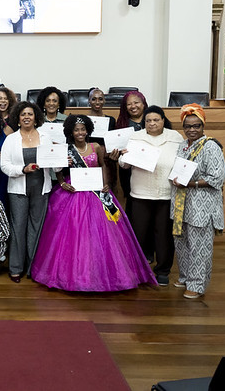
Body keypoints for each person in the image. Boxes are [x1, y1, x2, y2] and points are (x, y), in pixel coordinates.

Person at [31, 115, 156, 292]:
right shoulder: (66, 149)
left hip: (96, 192)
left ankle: (102, 273)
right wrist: (61, 182)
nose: (80, 132)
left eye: (83, 129)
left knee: (102, 234)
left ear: (88, 130)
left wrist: (105, 183)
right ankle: (73, 276)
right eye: (76, 130)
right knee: (74, 234)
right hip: (73, 193)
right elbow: (57, 168)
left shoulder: (96, 147)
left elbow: (104, 165)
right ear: (70, 132)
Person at [112, 105, 183, 286]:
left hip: (166, 194)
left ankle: (163, 271)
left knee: (164, 235)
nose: (152, 123)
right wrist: (123, 158)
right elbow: (124, 165)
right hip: (141, 193)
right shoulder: (136, 137)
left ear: (163, 120)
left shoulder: (175, 137)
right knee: (139, 234)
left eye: (156, 120)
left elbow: (183, 161)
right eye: (148, 121)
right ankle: (139, 269)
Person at [170, 104, 225, 299]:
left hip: (201, 206)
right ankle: (185, 276)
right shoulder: (182, 145)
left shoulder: (211, 146)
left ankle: (197, 284)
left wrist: (191, 184)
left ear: (203, 126)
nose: (192, 130)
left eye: (196, 126)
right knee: (182, 242)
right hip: (181, 204)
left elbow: (217, 179)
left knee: (199, 246)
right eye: (187, 126)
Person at [0, 101, 53, 283]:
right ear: (18, 118)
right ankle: (15, 268)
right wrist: (22, 169)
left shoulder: (46, 137)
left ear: (36, 117)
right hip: (18, 189)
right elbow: (4, 165)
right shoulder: (11, 139)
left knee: (36, 228)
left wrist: (62, 160)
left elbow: (55, 163)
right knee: (18, 227)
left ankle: (33, 268)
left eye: (30, 114)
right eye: (23, 115)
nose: (27, 117)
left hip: (41, 187)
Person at [114, 90, 148, 208]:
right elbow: (116, 152)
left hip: (150, 169)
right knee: (132, 203)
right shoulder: (121, 125)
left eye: (136, 102)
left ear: (143, 103)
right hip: (128, 171)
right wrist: (116, 155)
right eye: (129, 104)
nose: (133, 106)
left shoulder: (152, 121)